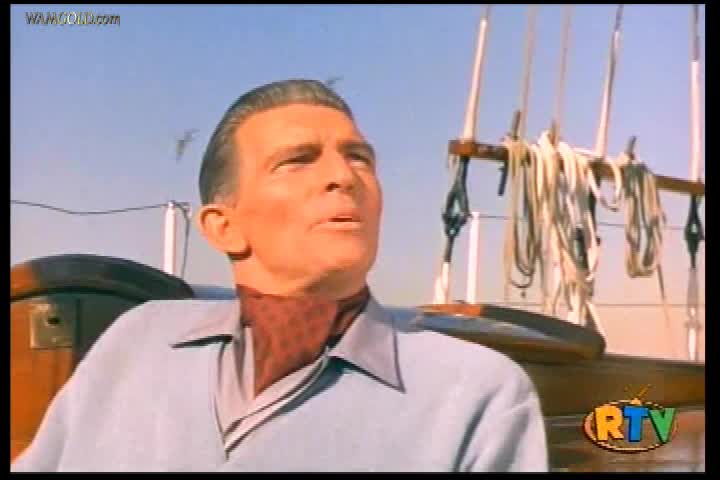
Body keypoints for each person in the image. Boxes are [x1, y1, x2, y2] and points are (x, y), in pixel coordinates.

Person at [12, 79, 549, 472]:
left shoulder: (478, 393)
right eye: (298, 160)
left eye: (359, 159)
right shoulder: (138, 339)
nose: (343, 176)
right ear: (223, 227)